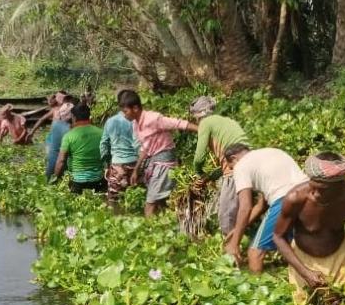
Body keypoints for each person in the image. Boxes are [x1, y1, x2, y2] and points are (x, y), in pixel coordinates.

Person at [273, 152, 345, 305]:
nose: (315, 193)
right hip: (305, 259)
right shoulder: (295, 198)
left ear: (341, 185)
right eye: (313, 186)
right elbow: (278, 237)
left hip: (342, 254)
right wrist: (305, 272)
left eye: (323, 190)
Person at [223, 144, 309, 273]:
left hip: (285, 200)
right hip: (309, 195)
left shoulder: (241, 166)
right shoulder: (271, 152)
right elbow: (261, 205)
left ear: (234, 158)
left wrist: (234, 244)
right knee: (299, 245)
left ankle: (256, 284)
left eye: (231, 167)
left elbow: (245, 207)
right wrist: (236, 230)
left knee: (254, 253)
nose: (233, 170)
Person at [122, 90, 198, 217]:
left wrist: (202, 129)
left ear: (135, 108)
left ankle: (148, 228)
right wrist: (136, 170)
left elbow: (178, 123)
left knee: (150, 204)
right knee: (161, 202)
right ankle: (165, 225)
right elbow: (145, 148)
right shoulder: (136, 124)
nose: (124, 115)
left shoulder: (153, 118)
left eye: (125, 111)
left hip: (165, 161)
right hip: (155, 161)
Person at [188, 96, 250, 235]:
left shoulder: (205, 123)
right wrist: (209, 177)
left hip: (236, 170)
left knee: (225, 215)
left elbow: (199, 158)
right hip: (249, 162)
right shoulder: (226, 121)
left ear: (198, 115)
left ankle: (230, 244)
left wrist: (199, 173)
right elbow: (226, 164)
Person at [52, 104, 105, 193]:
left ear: (73, 117)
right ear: (89, 116)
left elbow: (61, 161)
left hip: (77, 182)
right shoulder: (101, 133)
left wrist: (55, 179)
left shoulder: (69, 136)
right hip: (98, 180)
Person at [100, 90, 141, 203]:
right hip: (135, 165)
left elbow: (103, 145)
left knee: (113, 200)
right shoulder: (136, 120)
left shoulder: (110, 121)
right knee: (136, 199)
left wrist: (106, 165)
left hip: (117, 166)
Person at [44, 93, 75, 179]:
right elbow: (62, 160)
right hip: (61, 167)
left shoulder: (55, 125)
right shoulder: (70, 130)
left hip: (51, 165)